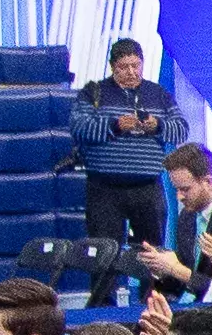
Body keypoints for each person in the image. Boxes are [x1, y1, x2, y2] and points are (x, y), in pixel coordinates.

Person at [69, 39, 178, 253]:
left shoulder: (159, 94)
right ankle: (105, 288)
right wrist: (114, 126)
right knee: (102, 256)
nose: (131, 72)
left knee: (153, 254)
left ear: (142, 64)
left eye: (135, 66)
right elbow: (78, 127)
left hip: (147, 187)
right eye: (123, 67)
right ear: (112, 67)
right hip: (104, 189)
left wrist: (157, 126)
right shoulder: (93, 93)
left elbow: (181, 129)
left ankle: (151, 288)